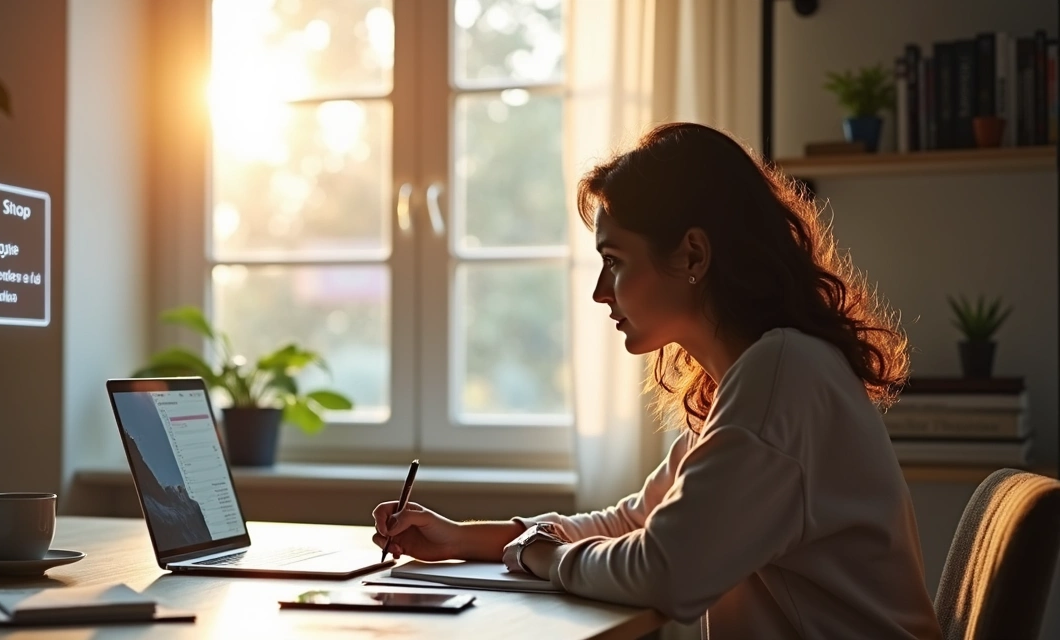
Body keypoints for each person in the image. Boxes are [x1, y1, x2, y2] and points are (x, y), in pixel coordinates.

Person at [371, 122, 943, 639]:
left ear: (692, 254)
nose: (600, 290)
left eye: (615, 260)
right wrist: (466, 538)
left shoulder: (781, 378)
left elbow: (666, 572)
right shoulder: (756, 376)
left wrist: (542, 558)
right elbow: (634, 523)